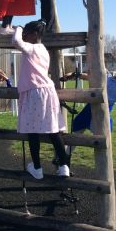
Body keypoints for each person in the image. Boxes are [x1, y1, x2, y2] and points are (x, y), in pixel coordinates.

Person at [12, 20, 69, 179]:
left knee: (32, 131)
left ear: (35, 34)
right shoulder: (43, 49)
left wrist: (18, 28)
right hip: (47, 91)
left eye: (27, 33)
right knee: (53, 129)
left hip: (34, 92)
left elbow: (16, 41)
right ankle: (64, 165)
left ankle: (37, 167)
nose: (24, 36)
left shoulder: (32, 48)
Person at [61, 66, 116, 135]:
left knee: (102, 141)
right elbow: (87, 77)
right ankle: (65, 150)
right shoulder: (106, 77)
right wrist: (72, 75)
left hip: (103, 114)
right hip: (89, 109)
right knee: (75, 136)